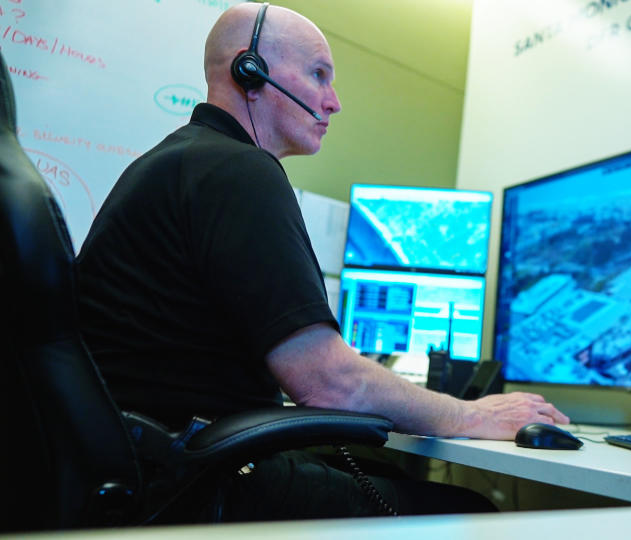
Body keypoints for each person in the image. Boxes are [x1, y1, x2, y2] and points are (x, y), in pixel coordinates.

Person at [76, 2, 568, 520]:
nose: (333, 102)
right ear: (252, 70)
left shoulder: (186, 161)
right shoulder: (237, 171)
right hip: (193, 481)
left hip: (152, 463)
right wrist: (470, 414)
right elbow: (328, 382)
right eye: (318, 75)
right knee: (470, 512)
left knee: (394, 480)